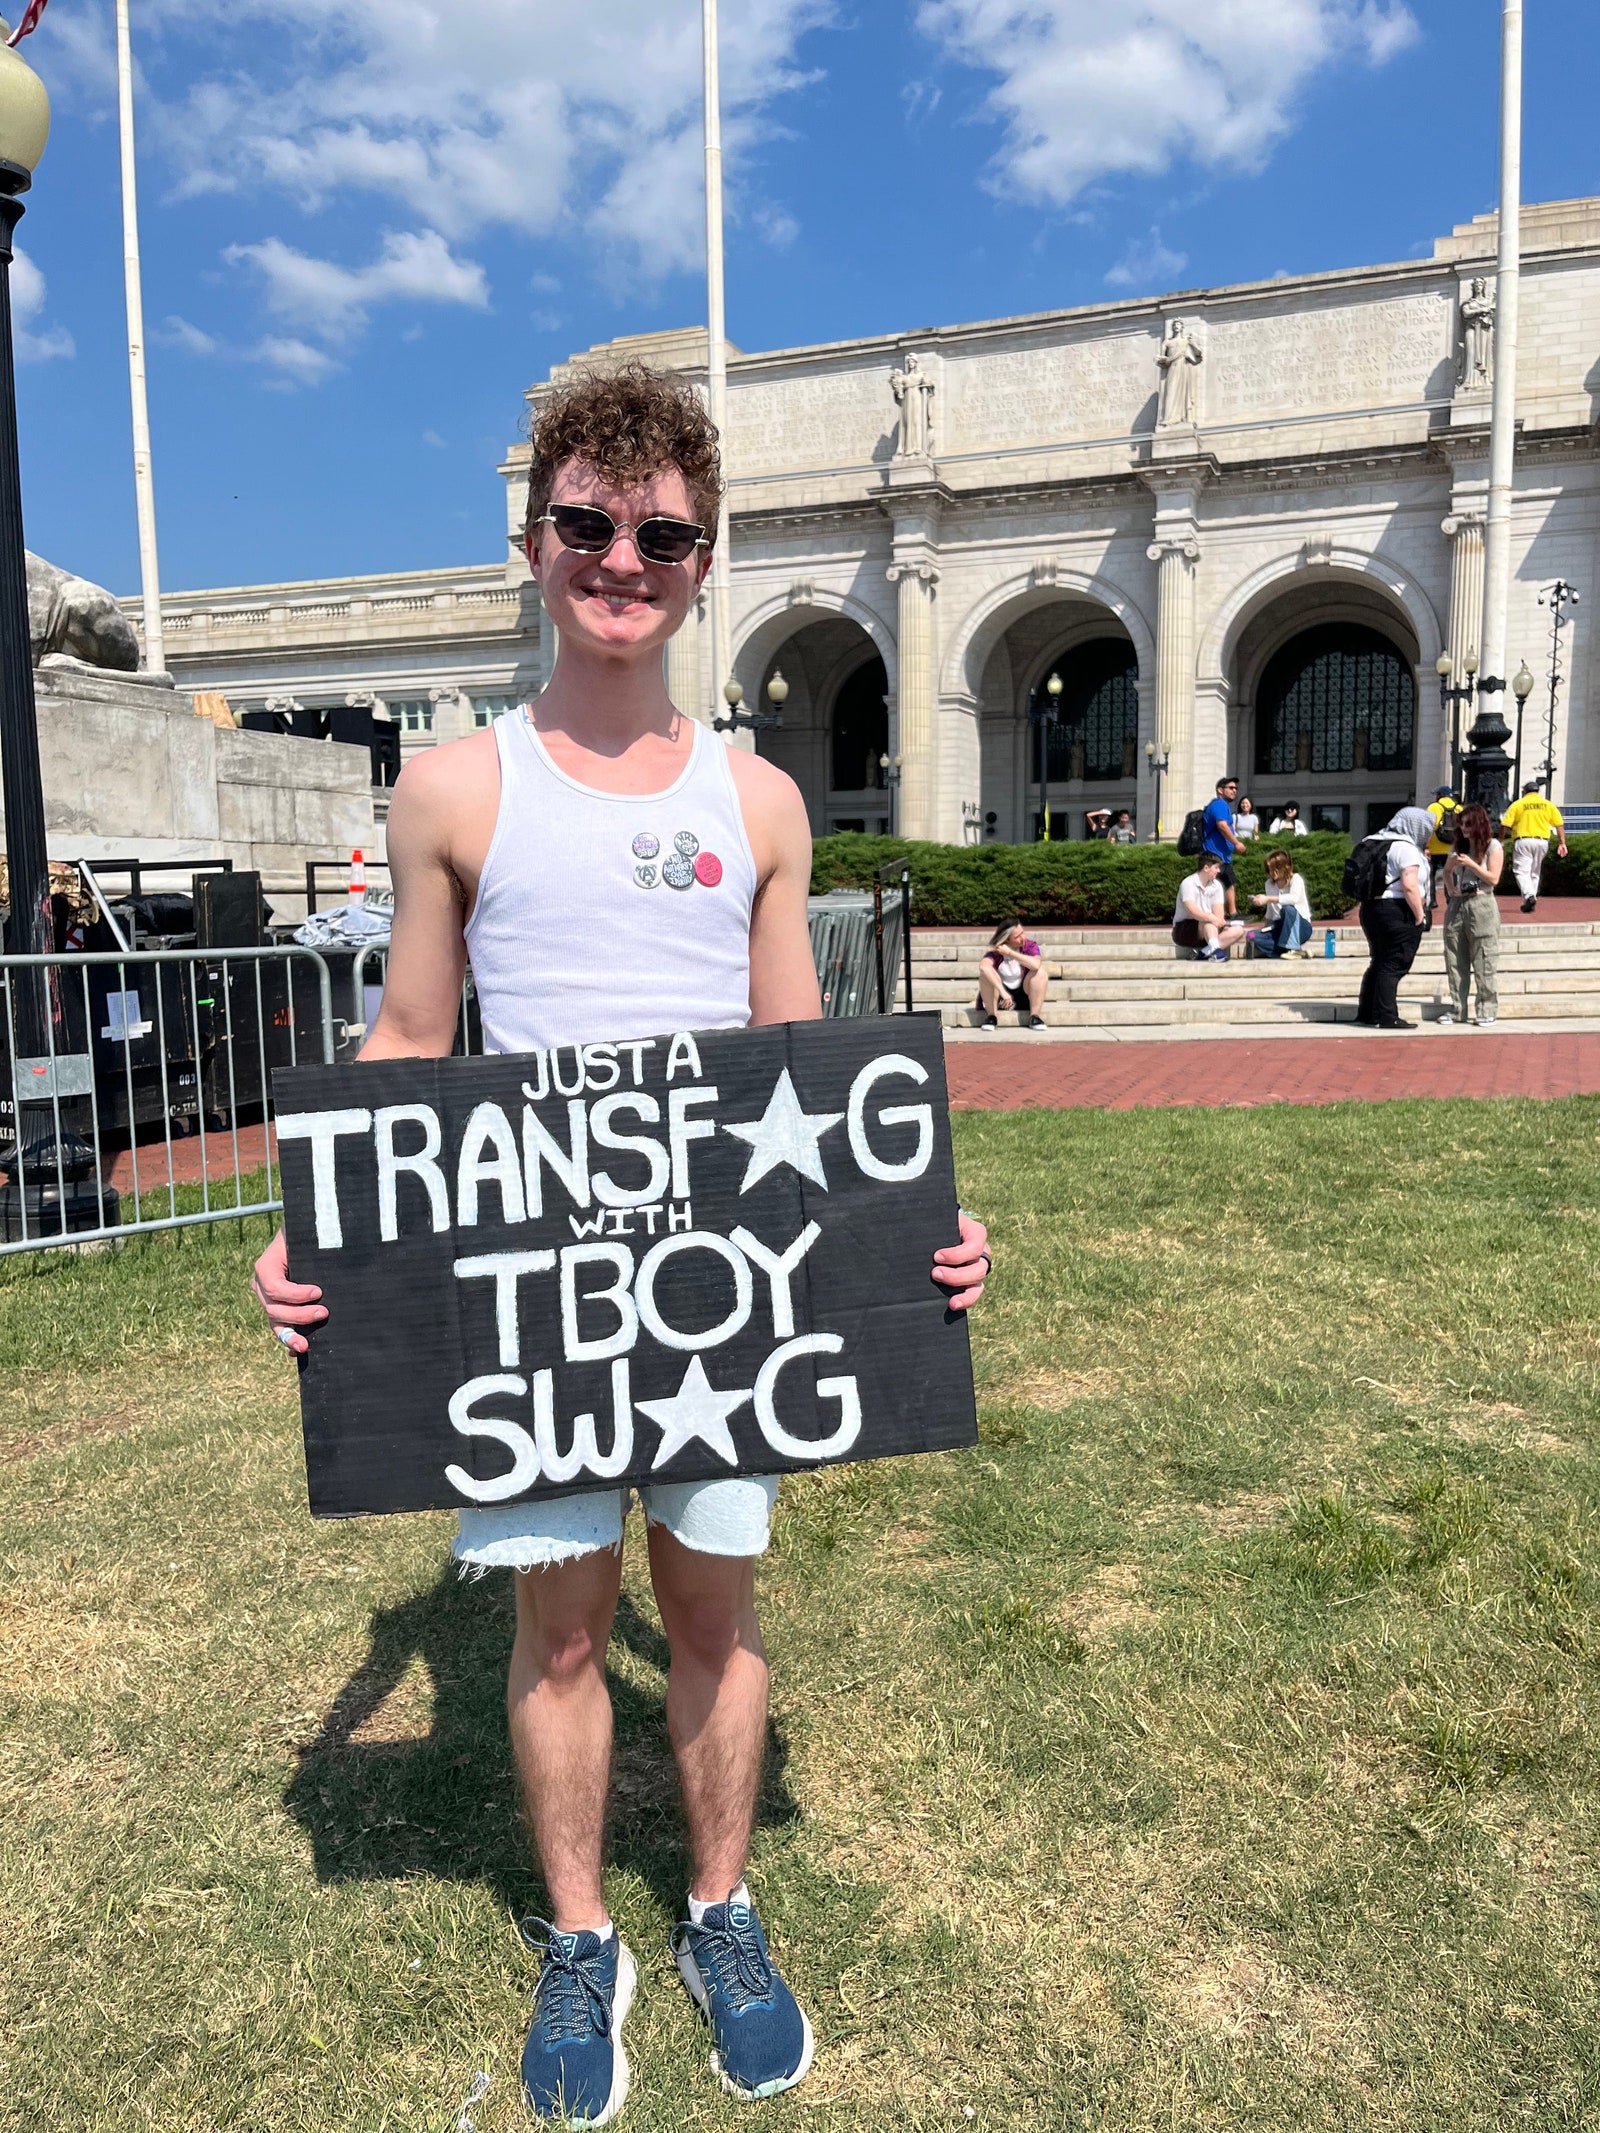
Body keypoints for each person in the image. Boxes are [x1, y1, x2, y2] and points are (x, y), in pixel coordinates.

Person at [250, 363, 991, 2124]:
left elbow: (808, 1075)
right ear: (535, 540)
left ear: (700, 556)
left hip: (720, 1294)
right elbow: (412, 1050)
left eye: (660, 532)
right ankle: (586, 1933)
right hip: (538, 1294)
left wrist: (917, 1239)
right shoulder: (454, 789)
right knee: (563, 1633)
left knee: (717, 1618)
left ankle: (721, 1906)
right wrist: (318, 1244)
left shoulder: (758, 807)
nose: (621, 556)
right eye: (588, 522)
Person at [1354, 805, 1431, 1030]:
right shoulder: (1405, 848)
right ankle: (1388, 1015)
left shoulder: (1372, 840)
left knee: (1378, 960)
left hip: (1370, 909)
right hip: (1397, 910)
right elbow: (1409, 885)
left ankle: (1367, 1011)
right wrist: (1420, 916)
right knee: (1394, 963)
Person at [1439, 801, 1504, 1027]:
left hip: (1482, 902)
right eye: (1461, 825)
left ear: (1478, 824)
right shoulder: (1458, 847)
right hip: (1458, 904)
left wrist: (1472, 865)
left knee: (1484, 957)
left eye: (1468, 825)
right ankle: (1458, 1009)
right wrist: (1450, 887)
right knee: (1455, 957)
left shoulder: (1493, 846)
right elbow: (1447, 871)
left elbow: (1494, 879)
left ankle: (1487, 1009)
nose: (1464, 829)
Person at [1499, 780, 1567, 912]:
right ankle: (1530, 900)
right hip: (1542, 841)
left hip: (1523, 840)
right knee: (1535, 872)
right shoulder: (1547, 805)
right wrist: (1562, 843)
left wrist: (1500, 841)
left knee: (1521, 871)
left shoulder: (1518, 804)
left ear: (1524, 791)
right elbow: (1559, 824)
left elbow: (1505, 825)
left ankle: (1529, 895)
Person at [1172, 853, 1248, 962]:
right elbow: (1192, 911)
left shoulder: (1216, 886)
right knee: (1207, 921)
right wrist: (1212, 919)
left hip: (1210, 932)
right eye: (1216, 867)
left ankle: (1204, 952)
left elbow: (1219, 914)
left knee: (1238, 930)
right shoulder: (1188, 883)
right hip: (1185, 929)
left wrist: (1221, 924)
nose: (1219, 871)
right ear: (1206, 868)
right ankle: (1216, 952)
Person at [977, 920, 1049, 1027]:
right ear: (1006, 940)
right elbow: (983, 966)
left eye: (1022, 933)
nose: (1023, 938)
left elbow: (1036, 965)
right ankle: (992, 1016)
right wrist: (1003, 992)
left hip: (1023, 995)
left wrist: (1010, 953)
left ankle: (1035, 1017)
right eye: (1017, 937)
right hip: (1002, 999)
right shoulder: (995, 954)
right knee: (985, 975)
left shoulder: (1029, 946)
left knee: (1040, 972)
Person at [1246, 849, 1312, 957]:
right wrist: (1265, 929)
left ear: (1284, 868)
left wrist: (1267, 898)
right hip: (1279, 926)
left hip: (1300, 926)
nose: (1271, 873)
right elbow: (1271, 913)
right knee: (1252, 936)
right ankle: (1290, 951)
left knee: (1287, 909)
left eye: (1274, 870)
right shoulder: (1269, 884)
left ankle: (1293, 948)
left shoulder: (1296, 879)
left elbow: (1293, 899)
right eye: (1269, 870)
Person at [1202, 775, 1246, 917]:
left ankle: (1231, 913)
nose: (1234, 791)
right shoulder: (1219, 805)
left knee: (1228, 883)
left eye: (1236, 788)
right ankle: (1227, 914)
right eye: (1231, 788)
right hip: (1215, 855)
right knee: (1220, 884)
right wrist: (1236, 843)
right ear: (1220, 790)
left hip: (1222, 855)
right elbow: (1221, 826)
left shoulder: (1222, 806)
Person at [1425, 785, 1462, 910]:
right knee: (1450, 873)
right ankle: (1451, 898)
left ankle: (1432, 900)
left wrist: (1426, 846)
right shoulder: (1459, 808)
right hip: (1451, 848)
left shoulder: (1434, 807)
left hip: (1434, 848)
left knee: (1430, 875)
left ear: (1439, 795)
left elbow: (1429, 827)